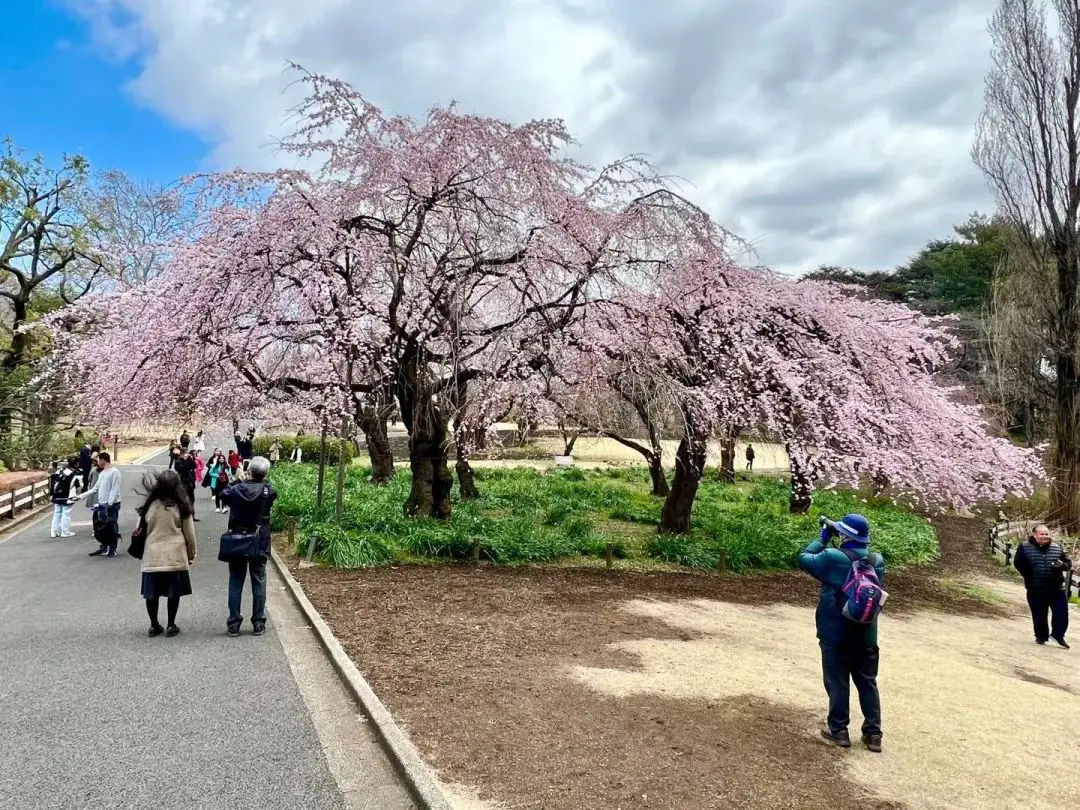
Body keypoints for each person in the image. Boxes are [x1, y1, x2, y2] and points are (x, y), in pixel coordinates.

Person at [798, 513, 885, 753]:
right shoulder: (877, 560)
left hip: (836, 633)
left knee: (837, 680)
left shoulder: (831, 557)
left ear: (844, 535)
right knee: (867, 682)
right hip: (867, 634)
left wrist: (823, 537)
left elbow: (804, 558)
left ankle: (839, 730)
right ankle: (873, 734)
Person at [221, 456, 278, 637]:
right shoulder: (268, 491)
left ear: (249, 471)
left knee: (236, 580)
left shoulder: (237, 490)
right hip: (259, 539)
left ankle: (234, 623)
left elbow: (224, 493)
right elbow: (271, 491)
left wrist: (239, 478)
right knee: (259, 579)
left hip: (237, 538)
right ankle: (259, 622)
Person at [138, 470, 197, 638]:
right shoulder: (182, 506)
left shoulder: (150, 505)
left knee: (151, 593)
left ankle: (154, 624)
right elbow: (189, 534)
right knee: (174, 592)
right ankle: (171, 624)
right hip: (175, 555)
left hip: (152, 555)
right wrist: (191, 554)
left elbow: (140, 530)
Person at [1014, 524, 1072, 648]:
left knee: (1062, 613)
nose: (1045, 536)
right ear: (1035, 535)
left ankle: (1058, 635)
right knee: (1039, 613)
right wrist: (1029, 577)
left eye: (1047, 534)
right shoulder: (1024, 547)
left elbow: (1067, 563)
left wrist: (1061, 566)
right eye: (1042, 534)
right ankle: (1041, 636)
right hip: (1036, 587)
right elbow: (1018, 563)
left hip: (1056, 587)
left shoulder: (1057, 547)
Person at [89, 452, 122, 557]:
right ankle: (104, 547)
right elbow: (95, 488)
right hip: (101, 504)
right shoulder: (102, 473)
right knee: (101, 527)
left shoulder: (115, 472)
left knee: (112, 527)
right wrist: (79, 496)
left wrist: (109, 504)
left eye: (98, 460)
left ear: (103, 460)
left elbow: (115, 489)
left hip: (111, 504)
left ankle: (112, 549)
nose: (97, 462)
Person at [49, 456, 82, 538]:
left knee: (57, 513)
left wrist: (52, 493)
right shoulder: (75, 472)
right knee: (66, 513)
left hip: (56, 495)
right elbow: (79, 485)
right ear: (76, 463)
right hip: (67, 496)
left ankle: (54, 532)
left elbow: (52, 481)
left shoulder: (60, 470)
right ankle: (65, 532)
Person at [172, 436, 199, 522]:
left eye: (187, 453)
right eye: (185, 453)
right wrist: (182, 460)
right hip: (182, 480)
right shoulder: (178, 460)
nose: (186, 454)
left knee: (192, 498)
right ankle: (183, 515)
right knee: (183, 498)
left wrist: (191, 459)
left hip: (190, 480)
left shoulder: (189, 459)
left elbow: (194, 466)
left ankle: (192, 514)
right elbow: (180, 469)